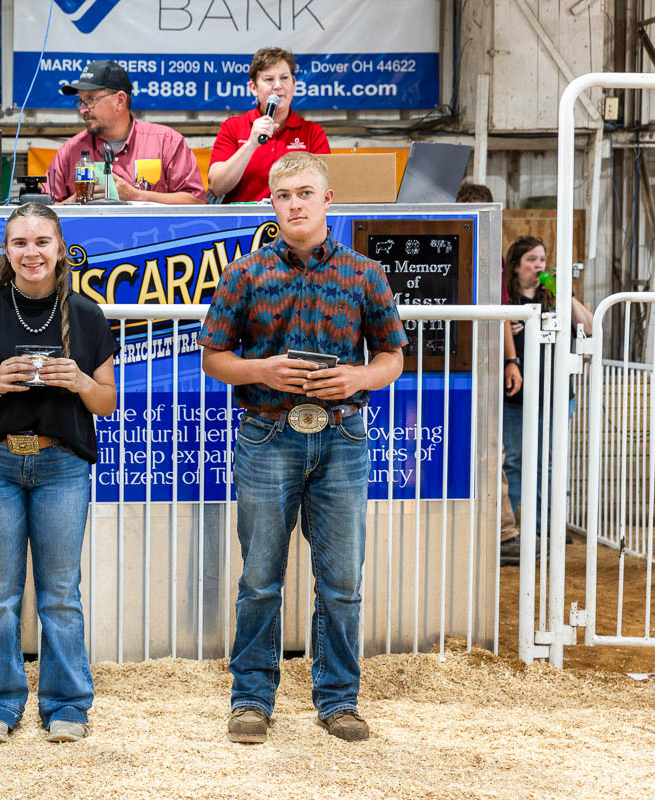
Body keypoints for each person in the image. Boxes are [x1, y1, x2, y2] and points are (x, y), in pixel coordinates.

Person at [199, 152, 406, 744]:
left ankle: (339, 700)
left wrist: (359, 377)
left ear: (327, 200)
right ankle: (251, 699)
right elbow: (214, 357)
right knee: (260, 578)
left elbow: (392, 355)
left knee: (341, 583)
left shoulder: (366, 274)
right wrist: (261, 369)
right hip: (266, 434)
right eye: (284, 195)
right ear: (271, 203)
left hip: (343, 436)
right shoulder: (244, 275)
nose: (295, 204)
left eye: (305, 193)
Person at [0, 203, 119, 744]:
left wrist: (79, 381)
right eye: (20, 242)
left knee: (60, 593)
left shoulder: (87, 315)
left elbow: (107, 402)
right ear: (7, 251)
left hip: (62, 465)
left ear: (60, 248)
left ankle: (67, 705)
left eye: (42, 241)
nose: (31, 252)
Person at [501, 235, 592, 545]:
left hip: (556, 395)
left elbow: (589, 327)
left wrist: (565, 292)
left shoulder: (555, 299)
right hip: (516, 397)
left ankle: (545, 527)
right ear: (516, 266)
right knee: (514, 461)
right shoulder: (507, 303)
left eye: (542, 259)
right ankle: (510, 533)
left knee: (548, 463)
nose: (538, 266)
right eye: (531, 260)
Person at [455, 182, 525, 563]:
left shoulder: (491, 253)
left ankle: (502, 531)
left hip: (483, 360)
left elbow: (502, 312)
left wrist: (511, 360)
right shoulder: (453, 243)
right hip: (460, 359)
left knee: (490, 447)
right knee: (475, 446)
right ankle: (493, 531)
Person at [46, 60, 206, 205]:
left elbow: (197, 202)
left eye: (90, 100)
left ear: (120, 100)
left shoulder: (166, 142)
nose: (82, 110)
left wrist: (137, 196)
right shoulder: (70, 151)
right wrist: (76, 200)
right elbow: (43, 211)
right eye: (81, 102)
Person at [207, 48, 330, 203]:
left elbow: (325, 187)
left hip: (296, 214)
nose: (278, 85)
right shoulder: (232, 127)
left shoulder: (313, 132)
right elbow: (217, 187)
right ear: (253, 88)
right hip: (244, 217)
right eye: (269, 79)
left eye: (284, 78)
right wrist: (250, 145)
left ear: (293, 84)